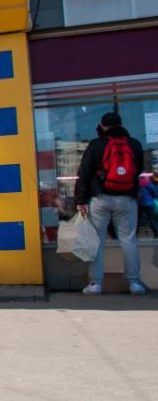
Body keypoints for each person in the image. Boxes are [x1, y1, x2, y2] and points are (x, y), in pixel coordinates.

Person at [75, 112, 146, 295]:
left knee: (97, 241)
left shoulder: (96, 144)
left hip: (100, 199)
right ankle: (134, 283)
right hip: (127, 199)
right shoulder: (134, 144)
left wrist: (81, 200)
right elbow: (137, 170)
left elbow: (84, 173)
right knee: (129, 241)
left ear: (103, 126)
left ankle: (96, 284)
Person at [140, 171, 158, 238]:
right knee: (153, 220)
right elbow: (155, 194)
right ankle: (156, 233)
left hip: (140, 203)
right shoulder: (149, 184)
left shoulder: (138, 184)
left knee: (138, 220)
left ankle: (135, 234)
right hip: (149, 203)